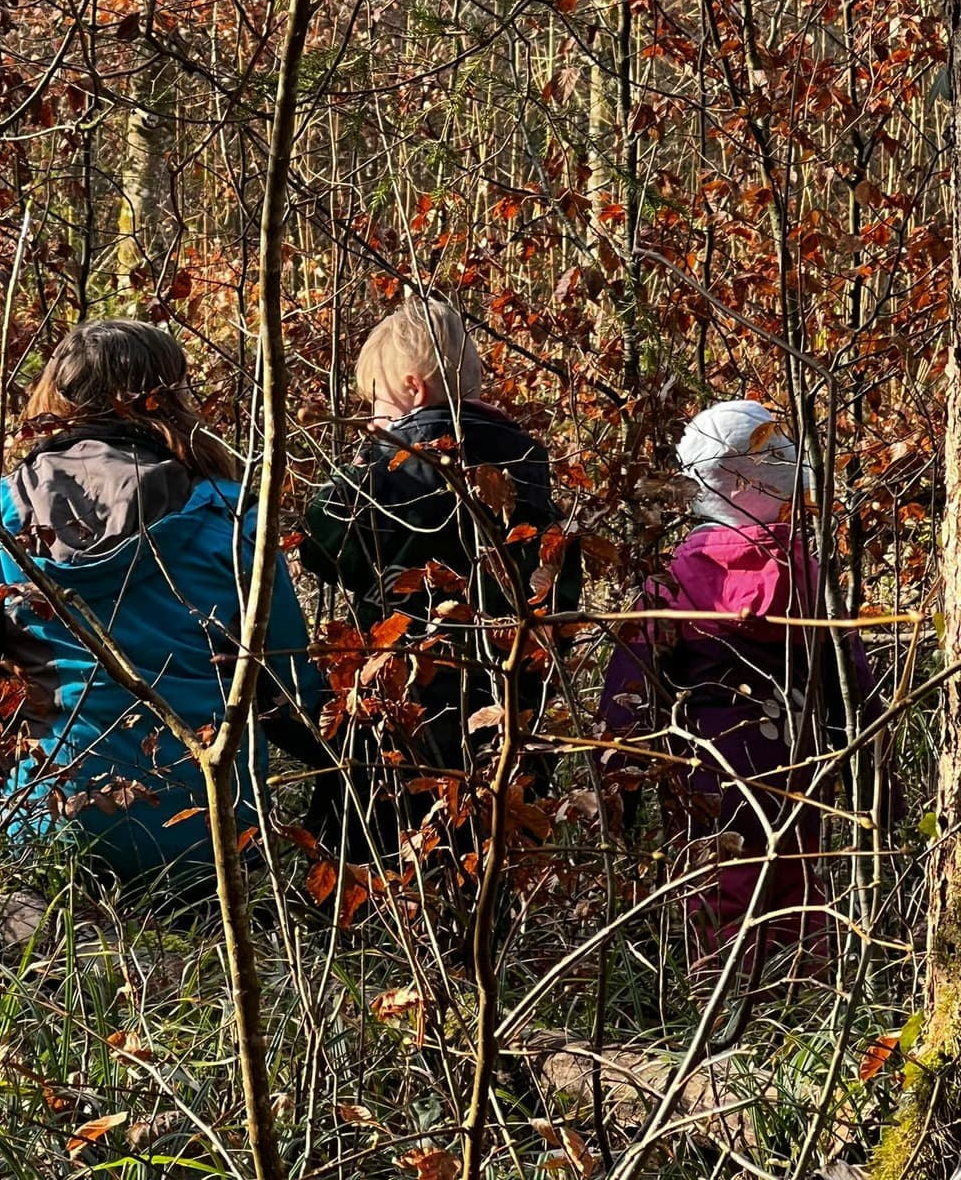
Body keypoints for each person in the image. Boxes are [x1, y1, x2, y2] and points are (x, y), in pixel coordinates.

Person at [0, 318, 325, 898]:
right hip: (211, 842)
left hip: (51, 836)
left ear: (51, 402)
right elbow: (288, 693)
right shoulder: (235, 519)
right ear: (170, 399)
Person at [598, 398, 886, 976]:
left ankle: (723, 993)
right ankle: (802, 997)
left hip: (708, 759)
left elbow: (632, 682)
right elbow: (851, 679)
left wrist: (617, 783)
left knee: (719, 879)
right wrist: (877, 779)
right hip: (796, 753)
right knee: (800, 875)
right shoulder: (809, 576)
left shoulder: (675, 581)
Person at [300, 295, 579, 858]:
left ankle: (376, 877)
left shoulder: (395, 465)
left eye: (375, 404)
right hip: (509, 677)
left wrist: (351, 482)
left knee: (387, 798)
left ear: (412, 389)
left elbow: (323, 539)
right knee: (500, 791)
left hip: (410, 675)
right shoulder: (528, 463)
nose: (371, 420)